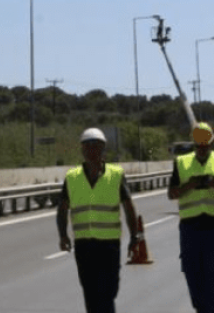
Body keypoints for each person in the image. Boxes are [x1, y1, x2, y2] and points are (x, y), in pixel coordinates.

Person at [57, 127, 139, 313]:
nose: (91, 150)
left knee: (109, 292)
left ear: (103, 149)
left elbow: (129, 207)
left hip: (109, 245)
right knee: (91, 294)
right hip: (84, 246)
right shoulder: (72, 177)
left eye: (96, 146)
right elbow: (62, 209)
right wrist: (63, 235)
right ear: (82, 150)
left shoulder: (116, 175)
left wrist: (135, 237)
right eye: (87, 146)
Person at [168, 122, 214, 313]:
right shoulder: (181, 162)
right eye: (198, 145)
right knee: (192, 272)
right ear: (194, 143)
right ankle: (203, 309)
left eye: (205, 145)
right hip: (190, 228)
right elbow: (172, 193)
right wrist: (189, 185)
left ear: (210, 143)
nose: (202, 149)